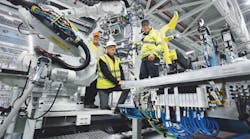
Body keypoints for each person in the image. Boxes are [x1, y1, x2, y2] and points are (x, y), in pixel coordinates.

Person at [139, 11, 179, 79]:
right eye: (143, 27)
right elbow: (144, 45)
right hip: (144, 59)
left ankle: (158, 89)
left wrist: (154, 54)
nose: (145, 28)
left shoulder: (156, 33)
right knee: (142, 77)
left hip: (152, 57)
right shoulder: (145, 37)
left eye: (146, 26)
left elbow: (160, 44)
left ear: (150, 26)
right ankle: (146, 90)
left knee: (154, 77)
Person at [96, 40, 129, 110]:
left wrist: (123, 81)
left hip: (114, 84)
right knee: (104, 108)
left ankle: (118, 108)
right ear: (107, 49)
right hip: (104, 86)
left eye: (114, 47)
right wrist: (117, 82)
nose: (113, 49)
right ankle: (106, 106)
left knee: (126, 88)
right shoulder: (102, 59)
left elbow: (121, 71)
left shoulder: (117, 59)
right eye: (111, 47)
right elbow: (106, 73)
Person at [84, 31, 103, 108]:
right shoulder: (89, 45)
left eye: (97, 37)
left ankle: (91, 102)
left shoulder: (101, 47)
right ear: (92, 37)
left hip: (98, 69)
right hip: (90, 67)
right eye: (95, 37)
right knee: (89, 86)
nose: (96, 38)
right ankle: (87, 102)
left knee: (95, 86)